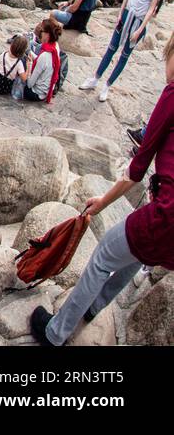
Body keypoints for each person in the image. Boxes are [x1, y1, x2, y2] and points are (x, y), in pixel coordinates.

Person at [31, 32, 174, 346]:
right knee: (138, 252)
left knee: (103, 257)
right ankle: (95, 307)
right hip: (169, 227)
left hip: (167, 215)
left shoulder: (173, 93)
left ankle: (55, 333)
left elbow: (138, 167)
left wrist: (102, 203)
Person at [82, 0, 165, 102]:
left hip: (139, 19)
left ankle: (107, 86)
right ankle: (95, 78)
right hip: (127, 11)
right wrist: (121, 11)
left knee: (124, 55)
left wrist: (140, 29)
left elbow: (152, 7)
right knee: (111, 47)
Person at [23, 17, 63, 103]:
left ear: (47, 34)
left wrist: (29, 66)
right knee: (34, 48)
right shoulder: (55, 46)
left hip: (35, 93)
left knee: (21, 60)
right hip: (47, 89)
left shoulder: (44, 56)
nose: (40, 34)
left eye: (42, 31)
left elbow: (30, 84)